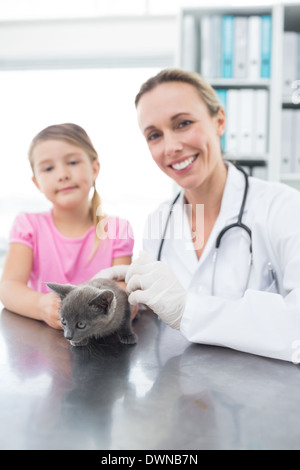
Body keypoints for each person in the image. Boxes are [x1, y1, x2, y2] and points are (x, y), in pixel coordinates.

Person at [100, 68, 300, 363]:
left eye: (183, 123)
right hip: (178, 392)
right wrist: (125, 300)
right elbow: (155, 314)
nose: (171, 147)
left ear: (219, 121)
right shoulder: (159, 221)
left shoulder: (283, 208)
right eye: (154, 135)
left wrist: (186, 310)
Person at [0, 123, 134, 329]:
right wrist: (40, 305)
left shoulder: (118, 229)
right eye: (49, 168)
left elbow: (121, 290)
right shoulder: (28, 225)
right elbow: (8, 287)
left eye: (72, 162)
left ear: (95, 168)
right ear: (37, 182)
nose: (62, 174)